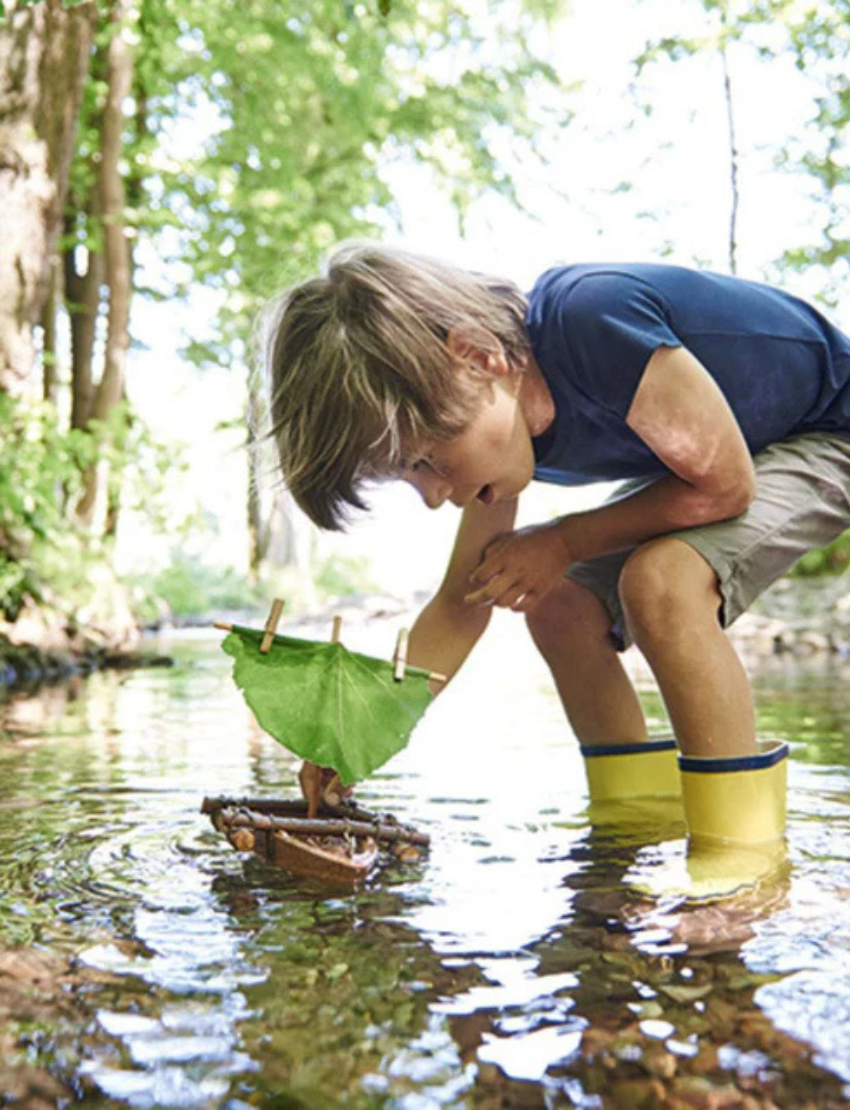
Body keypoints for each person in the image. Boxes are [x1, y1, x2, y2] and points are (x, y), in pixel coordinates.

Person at [264, 243, 850, 857]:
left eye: (428, 459)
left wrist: (563, 540)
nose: (437, 496)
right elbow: (464, 602)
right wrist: (358, 729)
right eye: (409, 478)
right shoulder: (500, 426)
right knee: (559, 601)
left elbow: (726, 486)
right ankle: (634, 830)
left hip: (824, 428)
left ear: (476, 358)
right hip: (726, 458)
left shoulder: (593, 318)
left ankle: (743, 857)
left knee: (662, 582)